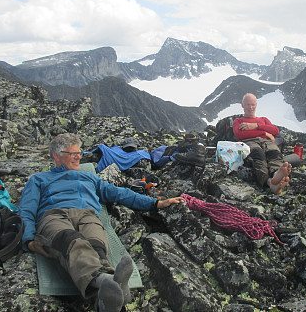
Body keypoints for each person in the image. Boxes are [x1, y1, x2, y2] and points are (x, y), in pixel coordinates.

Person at [18, 133, 184, 312]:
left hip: (87, 215)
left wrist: (155, 203)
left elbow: (120, 193)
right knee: (72, 242)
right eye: (72, 153)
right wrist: (28, 240)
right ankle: (110, 282)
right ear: (56, 156)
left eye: (79, 153)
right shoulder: (39, 179)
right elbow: (26, 211)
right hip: (54, 215)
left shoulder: (89, 178)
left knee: (97, 246)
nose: (79, 157)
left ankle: (105, 299)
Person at [233, 93, 292, 195]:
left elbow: (275, 130)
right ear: (242, 105)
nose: (250, 107)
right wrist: (264, 133)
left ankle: (277, 175)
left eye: (253, 104)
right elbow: (241, 135)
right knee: (258, 155)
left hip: (267, 142)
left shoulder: (263, 119)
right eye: (247, 104)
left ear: (256, 105)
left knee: (274, 153)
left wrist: (255, 125)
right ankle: (269, 182)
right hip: (249, 141)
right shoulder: (238, 121)